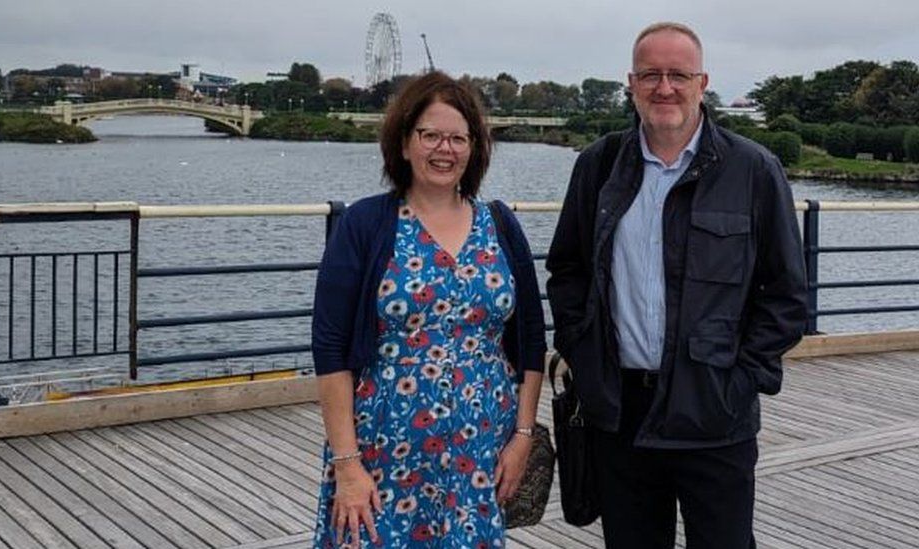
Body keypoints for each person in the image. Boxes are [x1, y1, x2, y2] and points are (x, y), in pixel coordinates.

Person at [546, 22, 808, 549]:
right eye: (651, 75)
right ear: (631, 83)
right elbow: (568, 270)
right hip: (620, 412)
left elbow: (786, 296)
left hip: (714, 413)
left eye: (678, 75)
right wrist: (586, 355)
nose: (664, 87)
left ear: (702, 81)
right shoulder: (598, 165)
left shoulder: (753, 170)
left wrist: (741, 379)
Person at [311, 71, 547, 548]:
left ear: (475, 149)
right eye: (431, 135)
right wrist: (347, 464)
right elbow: (330, 348)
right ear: (403, 144)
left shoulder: (499, 225)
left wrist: (522, 436)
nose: (446, 149)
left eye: (459, 138)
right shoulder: (366, 224)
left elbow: (531, 342)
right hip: (384, 448)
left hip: (481, 448)